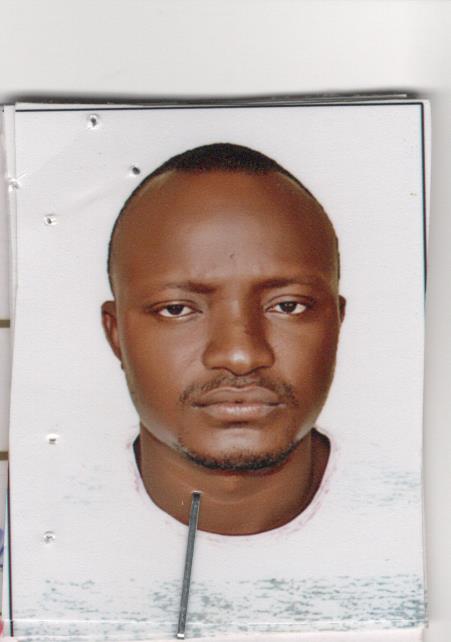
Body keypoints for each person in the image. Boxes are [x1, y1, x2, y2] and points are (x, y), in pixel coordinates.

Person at [101, 142, 345, 536]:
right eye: (177, 309)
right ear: (115, 334)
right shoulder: (36, 521)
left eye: (288, 306)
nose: (240, 355)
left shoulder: (428, 512)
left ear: (337, 321)